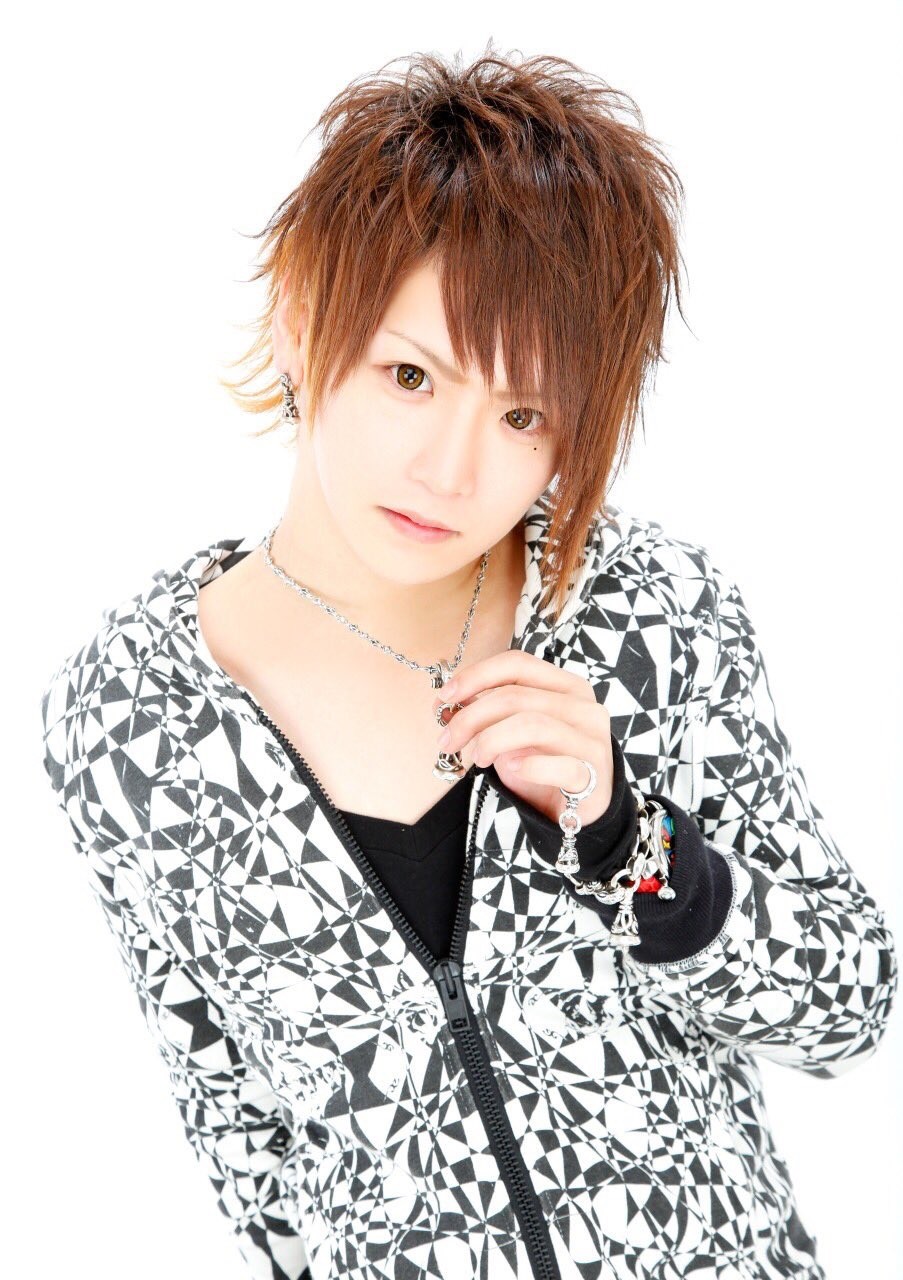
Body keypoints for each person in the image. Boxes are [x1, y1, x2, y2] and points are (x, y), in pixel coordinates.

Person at [39, 45, 897, 1280]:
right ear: (299, 318)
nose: (451, 471)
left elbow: (848, 1004)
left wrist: (627, 837)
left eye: (522, 414)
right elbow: (247, 1145)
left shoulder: (642, 610)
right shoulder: (129, 720)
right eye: (410, 375)